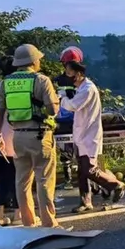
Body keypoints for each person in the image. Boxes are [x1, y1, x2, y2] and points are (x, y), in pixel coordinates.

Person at [0, 44, 61, 228]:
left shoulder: (5, 83)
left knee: (22, 181)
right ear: (33, 61)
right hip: (40, 135)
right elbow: (52, 110)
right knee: (44, 179)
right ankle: (49, 222)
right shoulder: (41, 80)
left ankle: (28, 221)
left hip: (18, 137)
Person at [59, 61, 125, 213]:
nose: (67, 76)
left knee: (89, 169)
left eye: (69, 73)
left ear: (78, 73)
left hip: (89, 135)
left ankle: (116, 185)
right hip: (81, 135)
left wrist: (61, 97)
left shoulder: (88, 89)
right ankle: (85, 202)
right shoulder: (80, 89)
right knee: (81, 171)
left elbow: (73, 106)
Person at [0, 55, 20, 226]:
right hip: (15, 138)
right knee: (19, 177)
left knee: (2, 178)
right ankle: (18, 214)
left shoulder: (0, 86)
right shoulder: (18, 85)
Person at [54, 46, 84, 188]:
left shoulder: (82, 82)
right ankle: (68, 180)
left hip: (78, 118)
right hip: (63, 118)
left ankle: (81, 178)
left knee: (80, 151)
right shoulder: (58, 80)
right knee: (66, 150)